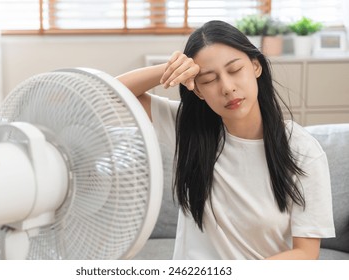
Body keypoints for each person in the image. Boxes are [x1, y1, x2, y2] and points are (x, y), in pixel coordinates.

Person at [117, 20, 335, 260]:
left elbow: (306, 253)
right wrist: (169, 69)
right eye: (209, 79)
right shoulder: (188, 130)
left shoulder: (302, 150)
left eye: (234, 70)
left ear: (255, 67)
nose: (228, 88)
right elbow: (108, 94)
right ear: (198, 91)